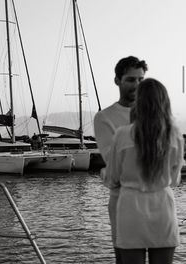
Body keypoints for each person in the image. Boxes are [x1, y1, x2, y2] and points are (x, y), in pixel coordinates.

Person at [106, 78, 184, 264]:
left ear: (138, 102)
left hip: (130, 209)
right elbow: (174, 180)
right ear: (165, 102)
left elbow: (113, 178)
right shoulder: (175, 136)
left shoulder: (123, 135)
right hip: (162, 208)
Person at [94, 56, 148, 263]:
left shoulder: (155, 114)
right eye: (131, 79)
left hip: (157, 203)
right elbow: (114, 161)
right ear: (117, 80)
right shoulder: (104, 117)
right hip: (123, 202)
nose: (137, 85)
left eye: (141, 80)